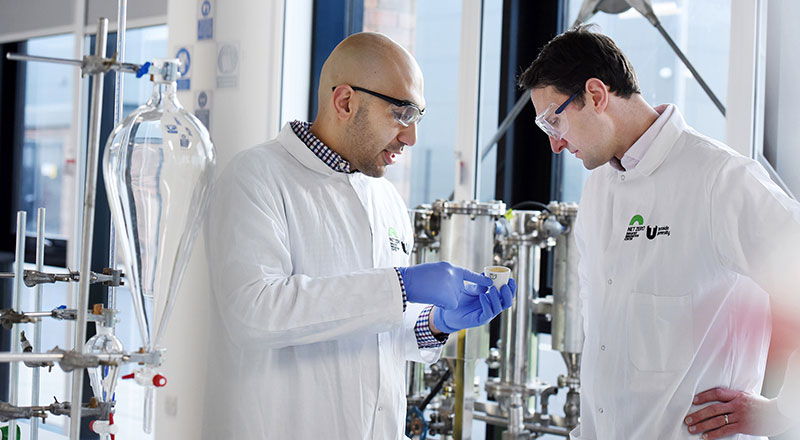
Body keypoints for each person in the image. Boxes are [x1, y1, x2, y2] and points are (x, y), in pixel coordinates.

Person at [200, 32, 516, 440]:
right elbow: (254, 314)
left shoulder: (385, 198)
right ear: (345, 102)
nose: (411, 138)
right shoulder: (255, 177)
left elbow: (376, 331)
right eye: (402, 114)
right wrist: (402, 285)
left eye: (417, 118)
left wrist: (434, 324)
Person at [519, 25, 800, 439]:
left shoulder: (719, 180)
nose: (555, 145)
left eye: (552, 122)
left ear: (596, 95)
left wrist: (784, 414)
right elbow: (605, 342)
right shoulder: (598, 188)